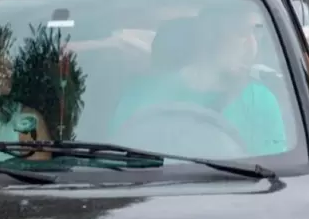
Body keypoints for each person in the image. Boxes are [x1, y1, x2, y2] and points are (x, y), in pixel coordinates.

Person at [110, 9, 287, 157]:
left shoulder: (260, 101)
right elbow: (120, 167)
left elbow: (274, 177)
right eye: (241, 33)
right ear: (210, 33)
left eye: (256, 33)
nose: (252, 46)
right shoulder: (141, 96)